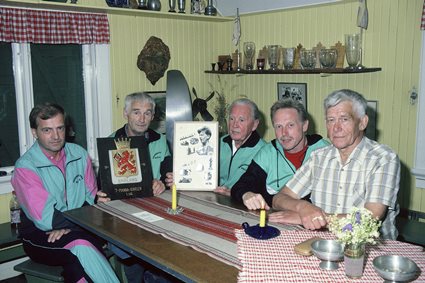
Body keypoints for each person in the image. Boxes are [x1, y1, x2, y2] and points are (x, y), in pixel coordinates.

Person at [270, 89, 400, 240]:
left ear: (362, 122)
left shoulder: (383, 158)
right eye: (331, 120)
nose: (336, 128)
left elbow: (368, 220)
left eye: (344, 119)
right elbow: (279, 198)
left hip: (373, 250)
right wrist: (303, 207)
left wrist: (311, 218)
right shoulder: (319, 157)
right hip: (322, 243)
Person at [11, 103, 119, 282]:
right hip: (40, 237)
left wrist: (70, 226)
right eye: (47, 130)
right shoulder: (26, 167)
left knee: (76, 263)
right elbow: (47, 221)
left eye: (60, 128)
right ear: (34, 132)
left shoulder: (79, 154)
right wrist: (78, 222)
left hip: (76, 228)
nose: (55, 136)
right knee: (81, 245)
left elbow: (91, 200)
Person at [98, 92, 172, 283]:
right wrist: (102, 196)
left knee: (168, 245)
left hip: (155, 210)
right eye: (136, 112)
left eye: (147, 113)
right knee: (132, 251)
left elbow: (168, 173)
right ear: (125, 113)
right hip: (123, 213)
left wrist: (163, 183)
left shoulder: (161, 140)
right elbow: (102, 186)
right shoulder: (111, 142)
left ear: (153, 116)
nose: (142, 119)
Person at [231, 99, 329, 210]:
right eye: (278, 126)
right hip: (275, 220)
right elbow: (241, 186)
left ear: (305, 125)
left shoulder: (324, 151)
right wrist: (246, 194)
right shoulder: (268, 152)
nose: (284, 133)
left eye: (290, 125)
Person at [214, 98, 266, 196]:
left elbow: (265, 191)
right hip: (212, 200)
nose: (234, 125)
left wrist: (236, 194)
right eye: (232, 119)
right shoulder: (217, 142)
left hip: (241, 205)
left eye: (241, 120)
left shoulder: (264, 152)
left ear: (254, 125)